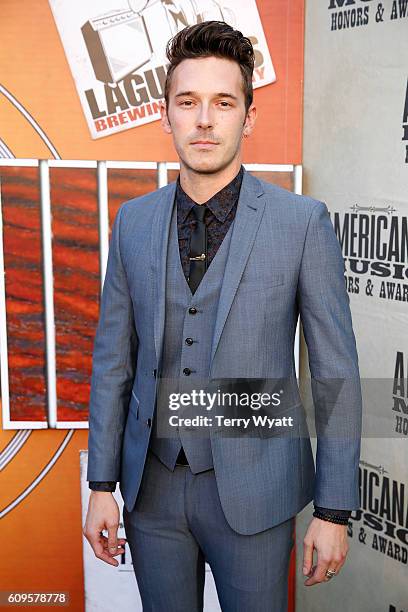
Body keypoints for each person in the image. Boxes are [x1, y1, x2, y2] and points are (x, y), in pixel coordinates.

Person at [83, 20, 362, 611]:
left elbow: (334, 372)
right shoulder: (133, 222)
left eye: (223, 102)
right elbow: (112, 362)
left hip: (257, 491)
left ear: (248, 117)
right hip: (150, 493)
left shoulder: (301, 222)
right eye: (187, 102)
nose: (204, 120)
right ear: (165, 115)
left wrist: (334, 509)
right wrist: (102, 485)